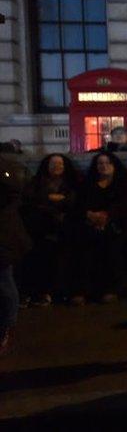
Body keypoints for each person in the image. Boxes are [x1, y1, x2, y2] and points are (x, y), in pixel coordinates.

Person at [72, 152, 127, 305]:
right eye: (100, 163)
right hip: (90, 223)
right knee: (83, 250)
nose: (104, 166)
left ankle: (112, 289)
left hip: (116, 225)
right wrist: (90, 215)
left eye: (108, 163)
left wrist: (107, 216)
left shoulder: (124, 183)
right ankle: (83, 290)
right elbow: (80, 205)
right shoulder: (88, 184)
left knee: (113, 248)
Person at [22, 153, 79, 306]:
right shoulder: (37, 183)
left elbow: (74, 203)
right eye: (53, 164)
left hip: (64, 229)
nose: (57, 167)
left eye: (60, 164)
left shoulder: (72, 183)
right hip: (41, 228)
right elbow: (30, 202)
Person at [1, 152, 31, 356]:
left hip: (3, 235)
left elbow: (14, 192)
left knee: (3, 282)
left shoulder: (9, 169)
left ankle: (6, 327)